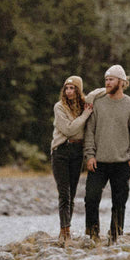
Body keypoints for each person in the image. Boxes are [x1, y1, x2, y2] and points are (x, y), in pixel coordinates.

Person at [84, 64, 130, 244]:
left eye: (110, 79)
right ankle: (93, 236)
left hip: (121, 163)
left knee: (119, 203)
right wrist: (89, 155)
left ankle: (115, 236)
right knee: (91, 198)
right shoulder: (98, 103)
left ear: (121, 81)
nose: (107, 82)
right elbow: (89, 131)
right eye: (106, 79)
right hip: (98, 162)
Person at [51, 76, 105, 244]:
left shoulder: (83, 104)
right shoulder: (59, 107)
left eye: (73, 88)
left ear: (78, 90)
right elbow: (69, 129)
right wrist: (85, 115)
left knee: (72, 193)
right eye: (66, 88)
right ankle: (64, 231)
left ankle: (67, 229)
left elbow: (98, 92)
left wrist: (114, 85)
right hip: (61, 151)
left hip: (77, 151)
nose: (69, 91)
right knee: (64, 194)